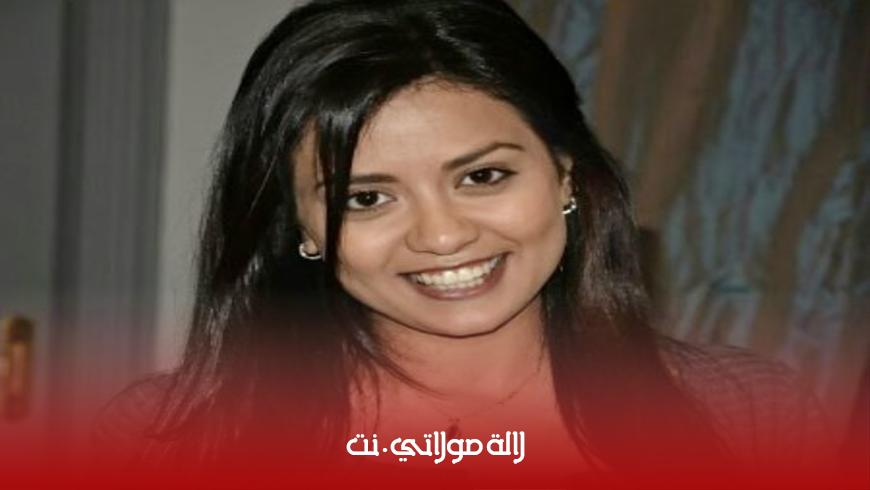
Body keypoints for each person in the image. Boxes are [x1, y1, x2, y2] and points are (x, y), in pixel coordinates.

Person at [96, 0, 832, 486]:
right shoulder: (163, 444)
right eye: (366, 197)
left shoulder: (750, 419)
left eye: (482, 176)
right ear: (301, 226)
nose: (443, 235)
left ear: (565, 173)